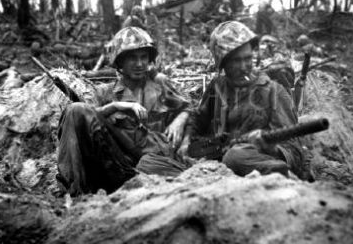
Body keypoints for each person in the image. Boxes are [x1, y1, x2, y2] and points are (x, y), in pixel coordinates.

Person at [57, 27, 190, 196]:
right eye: (133, 58)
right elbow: (83, 123)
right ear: (119, 62)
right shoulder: (105, 92)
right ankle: (71, 191)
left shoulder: (159, 85)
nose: (140, 64)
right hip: (115, 166)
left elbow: (189, 107)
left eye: (144, 57)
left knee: (149, 164)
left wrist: (180, 120)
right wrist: (115, 106)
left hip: (151, 167)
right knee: (75, 110)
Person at [179, 21, 304, 178]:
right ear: (222, 62)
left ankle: (282, 176)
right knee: (152, 160)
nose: (244, 66)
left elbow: (295, 150)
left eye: (248, 58)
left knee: (235, 156)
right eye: (236, 61)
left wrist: (271, 148)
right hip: (215, 160)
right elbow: (198, 119)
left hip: (253, 160)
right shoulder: (218, 87)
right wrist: (186, 141)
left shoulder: (272, 92)